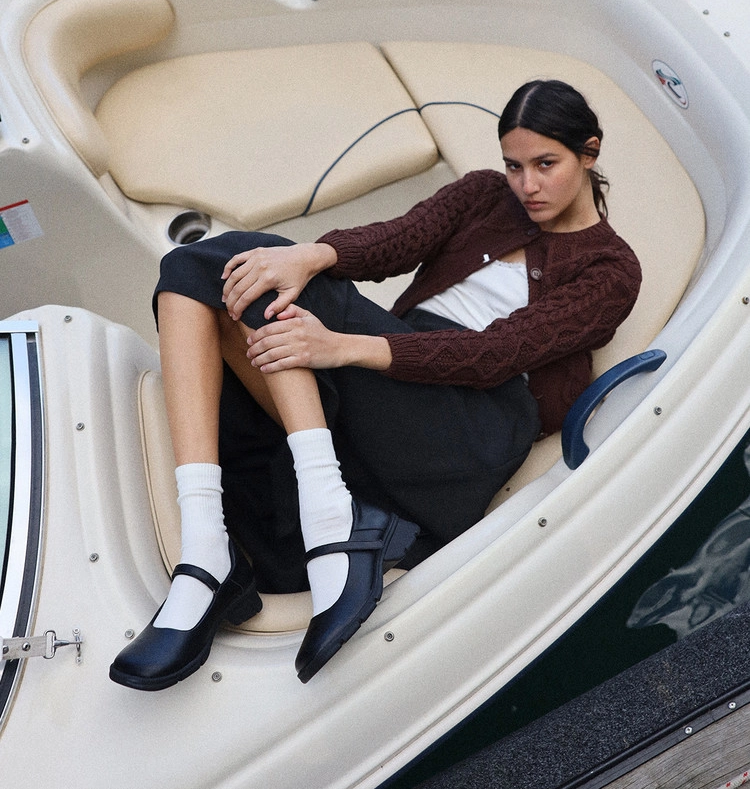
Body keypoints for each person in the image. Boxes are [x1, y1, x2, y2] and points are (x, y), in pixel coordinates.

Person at [109, 79, 642, 691]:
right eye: (514, 165)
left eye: (546, 165)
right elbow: (398, 241)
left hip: (477, 425)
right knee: (197, 269)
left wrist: (340, 347)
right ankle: (211, 544)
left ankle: (278, 533)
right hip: (401, 375)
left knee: (228, 271)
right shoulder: (484, 195)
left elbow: (495, 355)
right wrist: (312, 255)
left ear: (589, 153)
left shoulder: (612, 271)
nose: (527, 185)